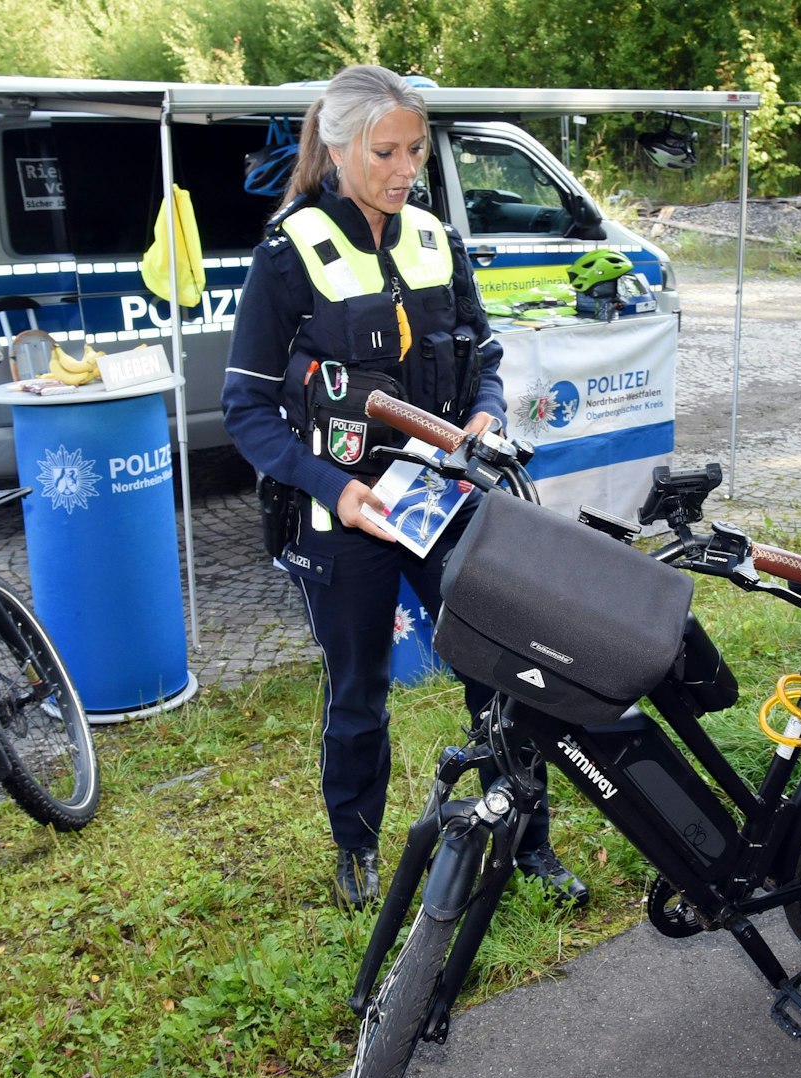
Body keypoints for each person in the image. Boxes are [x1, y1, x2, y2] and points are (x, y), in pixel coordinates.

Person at [221, 65, 586, 910]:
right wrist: (334, 489)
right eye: (385, 151)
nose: (403, 168)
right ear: (341, 148)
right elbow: (246, 407)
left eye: (414, 149)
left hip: (442, 497)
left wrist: (486, 414)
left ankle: (526, 838)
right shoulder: (289, 254)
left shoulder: (434, 237)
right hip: (344, 513)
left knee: (500, 671)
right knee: (359, 692)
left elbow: (483, 355)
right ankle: (356, 845)